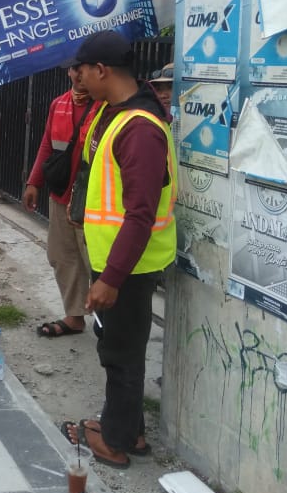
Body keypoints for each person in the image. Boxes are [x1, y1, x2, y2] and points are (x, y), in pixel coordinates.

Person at [60, 30, 177, 470]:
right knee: (119, 346)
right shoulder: (121, 114)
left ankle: (115, 441)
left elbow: (140, 213)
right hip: (118, 261)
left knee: (121, 354)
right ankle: (131, 430)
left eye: (83, 70)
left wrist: (111, 278)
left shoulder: (139, 128)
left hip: (126, 267)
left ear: (101, 70)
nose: (78, 77)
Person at [23, 65, 100, 338]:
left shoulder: (105, 106)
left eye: (85, 70)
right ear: (69, 71)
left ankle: (107, 322)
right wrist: (34, 182)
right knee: (62, 256)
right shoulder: (59, 104)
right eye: (75, 69)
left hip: (92, 201)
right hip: (61, 196)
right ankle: (75, 315)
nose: (80, 75)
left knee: (96, 262)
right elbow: (46, 143)